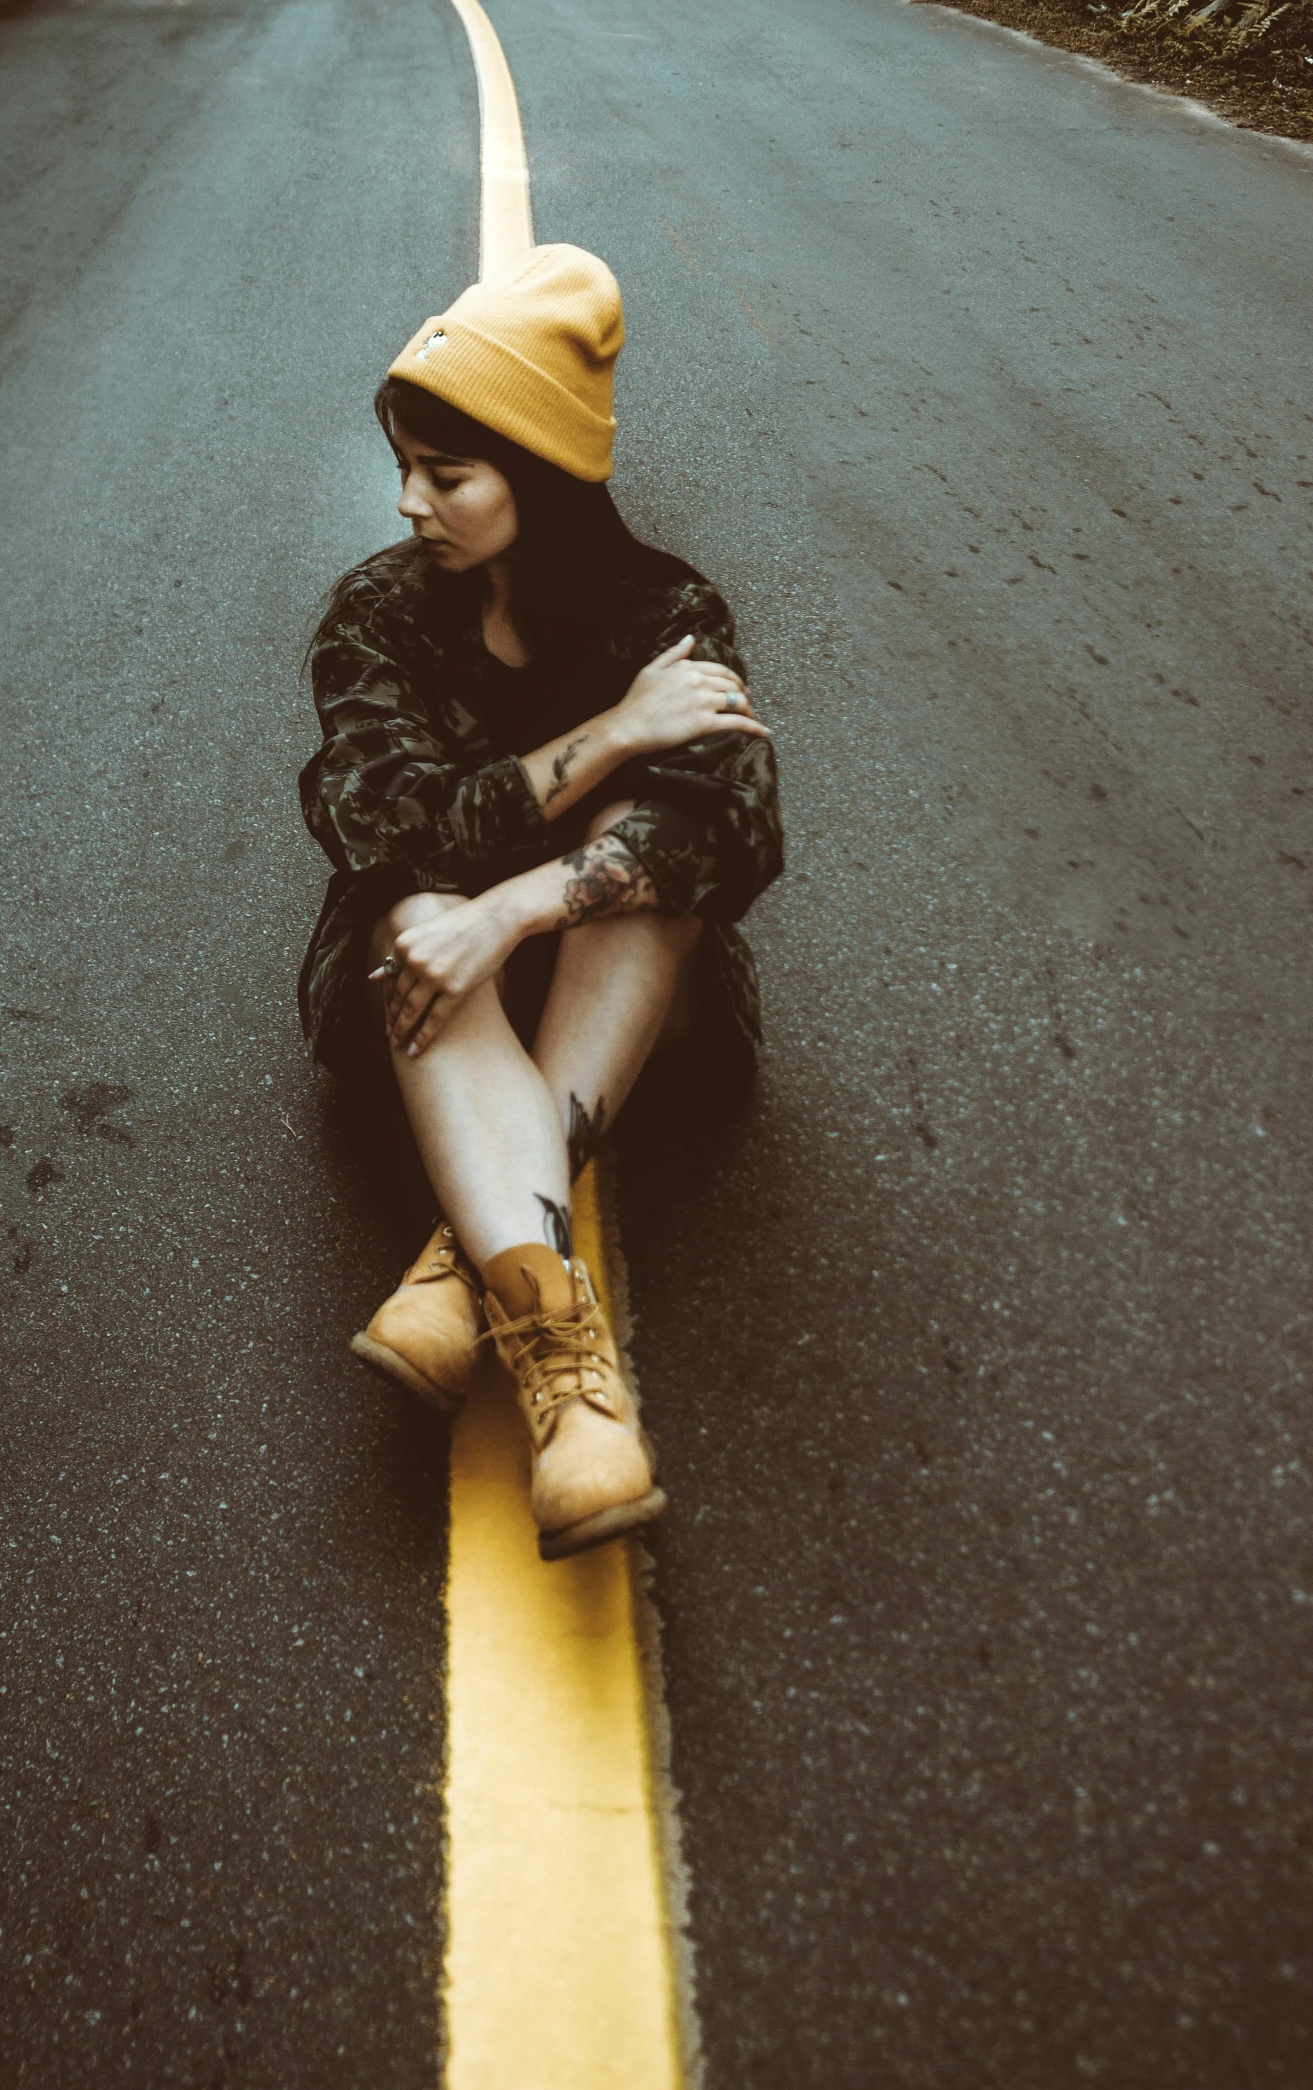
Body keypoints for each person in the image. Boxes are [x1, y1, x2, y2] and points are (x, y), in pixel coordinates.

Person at [296, 245, 782, 1560]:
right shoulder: (375, 619)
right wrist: (617, 729)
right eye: (403, 465)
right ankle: (572, 1385)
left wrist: (510, 910)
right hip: (412, 1007)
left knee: (648, 856)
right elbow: (383, 820)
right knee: (411, 908)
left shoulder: (670, 611)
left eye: (445, 474)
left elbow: (731, 831)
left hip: (629, 1013)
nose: (409, 503)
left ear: (542, 468)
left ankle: (472, 1254)